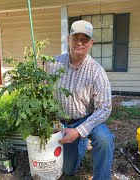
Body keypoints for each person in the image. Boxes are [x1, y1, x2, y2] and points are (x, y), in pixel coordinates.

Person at [47, 20, 115, 180]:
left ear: (91, 43)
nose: (79, 42)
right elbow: (45, 94)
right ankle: (82, 144)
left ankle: (102, 177)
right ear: (68, 39)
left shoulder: (97, 71)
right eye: (75, 37)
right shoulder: (53, 65)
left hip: (86, 120)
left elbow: (105, 108)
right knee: (69, 170)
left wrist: (78, 131)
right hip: (62, 123)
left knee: (104, 139)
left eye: (84, 39)